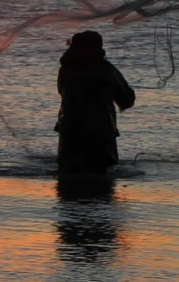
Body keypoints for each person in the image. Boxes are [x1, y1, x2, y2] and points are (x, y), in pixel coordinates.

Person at [55, 30, 135, 174]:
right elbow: (127, 100)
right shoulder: (105, 68)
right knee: (100, 180)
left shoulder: (65, 70)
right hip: (100, 135)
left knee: (69, 181)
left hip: (69, 135)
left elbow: (62, 91)